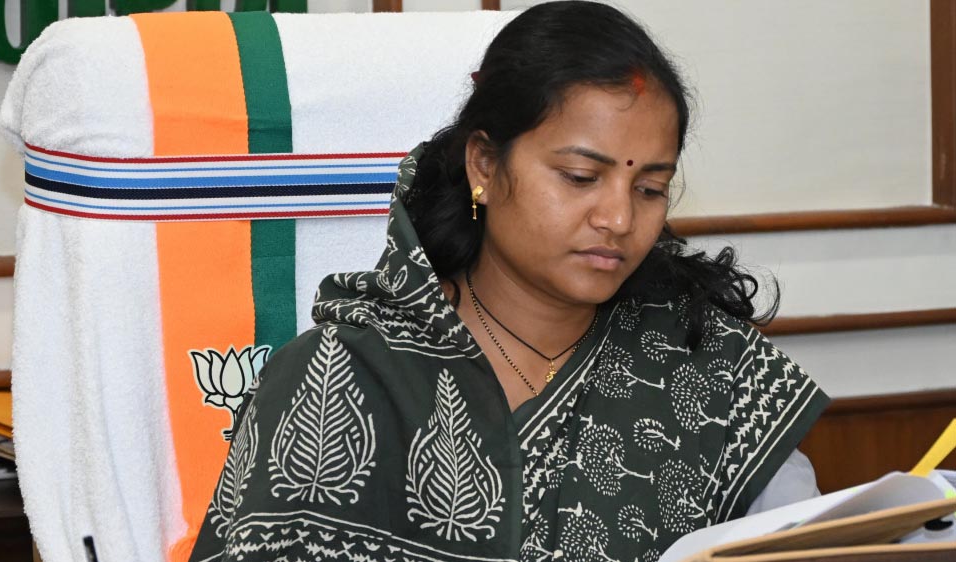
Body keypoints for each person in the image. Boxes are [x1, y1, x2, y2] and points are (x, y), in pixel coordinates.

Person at [188, 2, 829, 561]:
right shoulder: (339, 376)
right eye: (580, 177)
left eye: (649, 188)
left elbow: (815, 539)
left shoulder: (710, 367)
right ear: (485, 167)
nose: (618, 218)